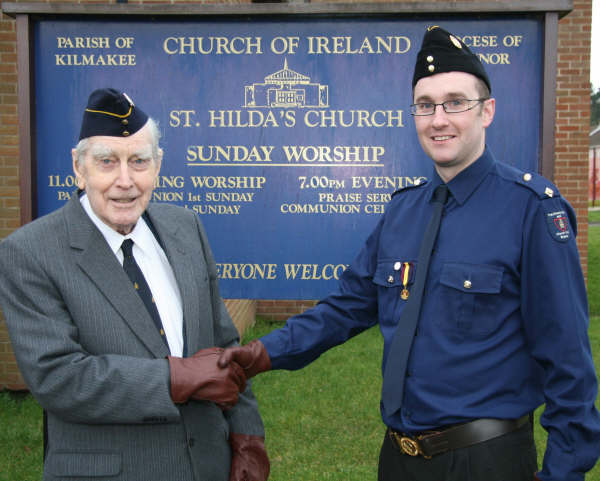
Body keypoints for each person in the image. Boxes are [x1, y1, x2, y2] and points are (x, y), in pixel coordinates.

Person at [219, 26, 600, 481]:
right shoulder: (404, 210)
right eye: (425, 105)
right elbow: (346, 308)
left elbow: (568, 360)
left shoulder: (530, 210)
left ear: (487, 111)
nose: (439, 119)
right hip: (399, 458)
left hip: (486, 461)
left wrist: (563, 473)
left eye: (456, 101)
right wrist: (261, 353)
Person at [0, 88, 269, 481]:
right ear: (78, 167)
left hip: (209, 463)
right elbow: (58, 377)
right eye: (107, 162)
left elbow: (224, 344)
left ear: (157, 166)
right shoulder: (30, 253)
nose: (125, 181)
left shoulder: (185, 227)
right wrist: (175, 378)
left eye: (138, 161)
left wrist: (247, 435)